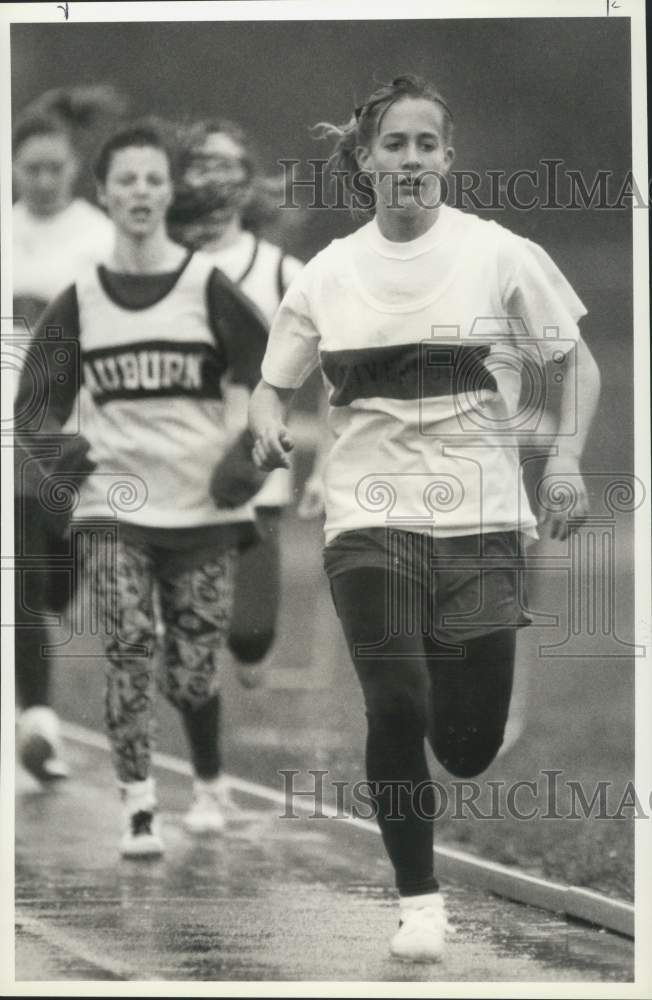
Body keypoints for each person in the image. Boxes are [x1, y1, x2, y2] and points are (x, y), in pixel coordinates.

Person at [249, 75, 601, 962]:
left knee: (470, 745)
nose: (410, 160)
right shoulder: (330, 272)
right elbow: (272, 383)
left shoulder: (499, 253)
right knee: (394, 701)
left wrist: (561, 462)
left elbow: (579, 367)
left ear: (448, 158)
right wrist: (263, 423)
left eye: (425, 145)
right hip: (367, 517)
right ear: (366, 162)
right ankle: (419, 901)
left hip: (482, 519)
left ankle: (465, 711)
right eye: (393, 146)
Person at [15, 120, 269, 858]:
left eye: (154, 180)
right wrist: (67, 459)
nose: (140, 192)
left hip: (200, 507)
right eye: (125, 180)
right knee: (128, 644)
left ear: (168, 193)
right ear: (104, 193)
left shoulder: (205, 286)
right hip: (114, 508)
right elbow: (34, 402)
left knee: (189, 672)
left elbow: (271, 372)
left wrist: (245, 457)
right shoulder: (81, 298)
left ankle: (211, 781)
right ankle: (138, 807)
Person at [168, 119, 304, 684]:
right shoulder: (156, 263)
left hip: (252, 462)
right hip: (171, 458)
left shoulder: (281, 271)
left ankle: (245, 644)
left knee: (250, 640)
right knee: (173, 628)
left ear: (248, 183)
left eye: (228, 165)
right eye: (202, 164)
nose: (215, 177)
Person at [12, 87, 120, 783]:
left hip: (76, 431)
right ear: (15, 168)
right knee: (20, 578)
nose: (44, 180)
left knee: (56, 586)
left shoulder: (99, 236)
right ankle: (38, 721)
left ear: (75, 167)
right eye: (31, 168)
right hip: (10, 433)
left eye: (55, 167)